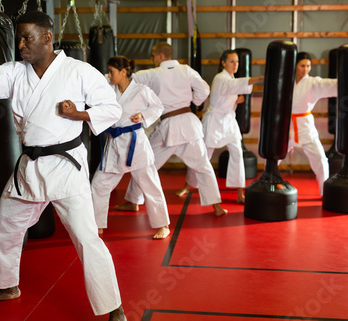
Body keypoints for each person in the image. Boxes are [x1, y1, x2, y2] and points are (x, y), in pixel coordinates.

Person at [0, 11, 126, 320]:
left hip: (65, 168)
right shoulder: (15, 72)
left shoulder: (79, 71)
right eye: (19, 38)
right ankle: (7, 285)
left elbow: (112, 108)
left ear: (47, 38)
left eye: (27, 38)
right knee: (4, 224)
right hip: (30, 168)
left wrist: (80, 115)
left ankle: (113, 306)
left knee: (86, 238)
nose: (20, 45)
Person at [115, 42, 227, 217]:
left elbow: (129, 79)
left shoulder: (153, 73)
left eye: (153, 55)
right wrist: (195, 101)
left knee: (144, 163)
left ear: (160, 56)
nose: (152, 59)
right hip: (189, 126)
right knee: (203, 166)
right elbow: (204, 89)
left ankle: (133, 201)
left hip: (168, 127)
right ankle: (217, 206)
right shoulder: (186, 70)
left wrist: (115, 73)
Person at [92, 56, 170, 239]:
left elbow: (158, 107)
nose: (109, 74)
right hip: (114, 144)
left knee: (150, 185)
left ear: (123, 72)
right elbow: (95, 80)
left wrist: (143, 115)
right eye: (109, 71)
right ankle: (97, 225)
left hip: (135, 144)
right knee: (98, 184)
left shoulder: (141, 90)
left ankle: (163, 225)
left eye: (112, 71)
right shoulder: (108, 88)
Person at [177, 50, 264, 203]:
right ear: (223, 62)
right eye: (231, 61)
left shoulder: (231, 78)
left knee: (237, 153)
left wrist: (235, 101)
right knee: (203, 156)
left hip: (229, 121)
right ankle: (188, 185)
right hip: (214, 122)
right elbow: (233, 86)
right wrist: (261, 78)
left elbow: (230, 92)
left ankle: (239, 192)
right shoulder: (220, 78)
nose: (235, 64)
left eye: (237, 62)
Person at [283, 51, 337, 196]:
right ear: (295, 65)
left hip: (305, 127)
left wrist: (347, 80)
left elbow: (329, 84)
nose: (305, 69)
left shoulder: (313, 82)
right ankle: (266, 183)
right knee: (272, 158)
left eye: (308, 66)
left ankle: (325, 193)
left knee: (320, 159)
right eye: (302, 65)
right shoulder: (286, 81)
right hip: (286, 126)